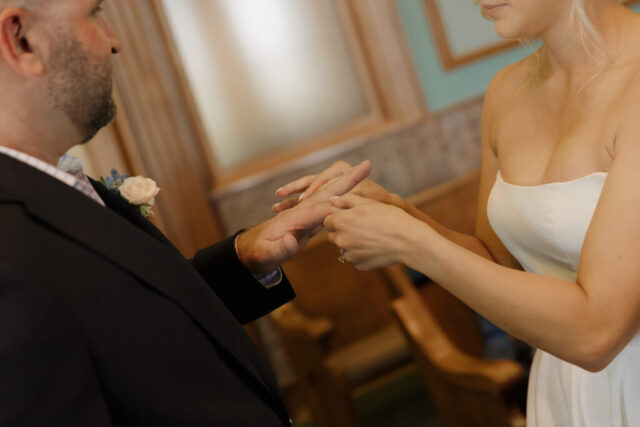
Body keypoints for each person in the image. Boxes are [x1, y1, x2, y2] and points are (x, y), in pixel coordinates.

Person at [0, 0, 372, 425]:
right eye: (94, 13)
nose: (114, 41)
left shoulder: (47, 185)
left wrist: (244, 257)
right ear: (21, 40)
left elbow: (133, 329)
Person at [276, 0, 640, 425]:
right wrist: (398, 213)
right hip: (561, 388)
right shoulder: (507, 91)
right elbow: (498, 269)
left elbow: (596, 334)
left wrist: (414, 244)